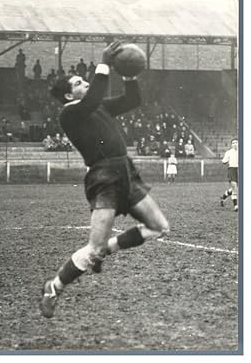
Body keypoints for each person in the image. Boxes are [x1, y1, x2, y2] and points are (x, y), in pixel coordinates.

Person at [40, 41, 170, 318]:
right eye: (78, 82)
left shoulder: (97, 107)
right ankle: (55, 286)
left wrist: (129, 75)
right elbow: (93, 97)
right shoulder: (70, 113)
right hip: (103, 176)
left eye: (84, 80)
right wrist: (103, 63)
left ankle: (105, 252)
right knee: (93, 247)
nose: (85, 83)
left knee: (159, 227)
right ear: (67, 95)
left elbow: (132, 100)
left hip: (126, 171)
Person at [220, 138, 239, 211]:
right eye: (233, 143)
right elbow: (224, 161)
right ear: (231, 145)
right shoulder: (228, 152)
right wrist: (225, 160)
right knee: (234, 187)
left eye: (236, 142)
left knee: (236, 188)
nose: (235, 144)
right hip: (232, 170)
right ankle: (236, 206)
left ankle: (223, 196)